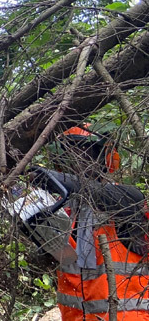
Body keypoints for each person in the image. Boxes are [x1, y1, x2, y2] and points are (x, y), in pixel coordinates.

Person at [50, 125, 149, 321]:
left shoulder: (126, 200)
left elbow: (96, 192)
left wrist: (58, 180)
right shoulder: (67, 213)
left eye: (86, 152)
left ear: (104, 157)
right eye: (71, 153)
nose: (79, 161)